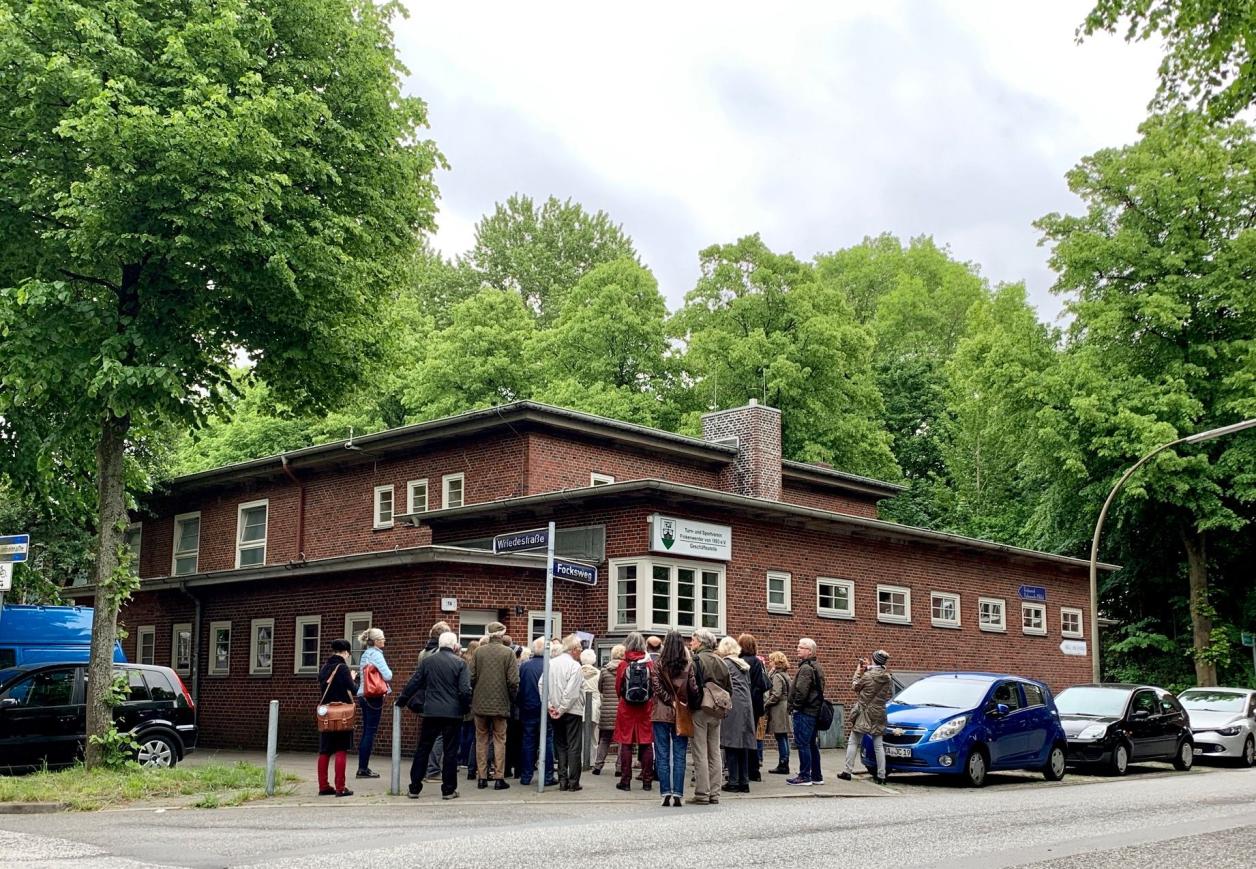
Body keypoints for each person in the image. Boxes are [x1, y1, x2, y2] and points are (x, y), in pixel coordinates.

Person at [397, 630, 471, 800]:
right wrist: (466, 707)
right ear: (454, 645)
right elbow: (465, 690)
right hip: (453, 713)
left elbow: (415, 681)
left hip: (430, 711)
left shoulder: (428, 662)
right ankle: (448, 789)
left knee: (423, 748)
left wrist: (402, 699)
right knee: (450, 751)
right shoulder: (461, 663)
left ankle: (414, 787)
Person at [469, 622, 518, 790]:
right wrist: (511, 698)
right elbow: (513, 681)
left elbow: (471, 677)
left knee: (481, 739)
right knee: (499, 740)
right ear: (502, 634)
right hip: (500, 703)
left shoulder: (478, 652)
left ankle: (482, 777)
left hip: (480, 703)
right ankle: (499, 777)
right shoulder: (508, 653)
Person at [650, 630, 696, 807]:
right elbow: (693, 688)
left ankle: (665, 792)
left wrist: (669, 701)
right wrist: (682, 702)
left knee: (662, 754)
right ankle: (678, 792)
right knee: (679, 754)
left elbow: (656, 686)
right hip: (682, 712)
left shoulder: (658, 663)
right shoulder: (687, 664)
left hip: (661, 712)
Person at [840, 649, 894, 785]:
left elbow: (855, 687)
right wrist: (868, 667)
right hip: (879, 712)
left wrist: (858, 671)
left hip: (864, 712)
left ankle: (847, 771)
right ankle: (881, 775)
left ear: (874, 660)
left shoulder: (867, 676)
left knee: (853, 741)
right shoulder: (888, 677)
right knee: (878, 745)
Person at [688, 627, 730, 805]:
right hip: (717, 709)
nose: (691, 643)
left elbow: (690, 686)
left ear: (701, 642)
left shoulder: (696, 660)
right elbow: (729, 688)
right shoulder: (722, 661)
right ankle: (715, 793)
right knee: (715, 752)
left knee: (700, 752)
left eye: (693, 639)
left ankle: (702, 793)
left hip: (700, 709)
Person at [544, 634, 586, 791]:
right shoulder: (575, 666)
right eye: (580, 649)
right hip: (571, 710)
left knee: (560, 745)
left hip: (555, 709)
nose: (581, 652)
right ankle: (573, 782)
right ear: (574, 650)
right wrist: (561, 708)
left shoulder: (551, 663)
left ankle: (562, 780)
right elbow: (572, 692)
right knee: (574, 746)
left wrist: (550, 706)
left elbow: (542, 685)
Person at [613, 632, 655, 792]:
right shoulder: (649, 664)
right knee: (646, 743)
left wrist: (622, 698)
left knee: (626, 743)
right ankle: (647, 781)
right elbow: (654, 686)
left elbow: (618, 687)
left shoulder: (623, 664)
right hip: (646, 708)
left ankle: (625, 780)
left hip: (627, 708)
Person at [316, 638, 358, 797]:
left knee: (325, 750)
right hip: (342, 714)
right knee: (341, 748)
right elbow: (353, 690)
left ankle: (323, 785)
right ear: (346, 652)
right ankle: (340, 787)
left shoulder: (325, 667)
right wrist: (353, 678)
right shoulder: (343, 668)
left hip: (326, 713)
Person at [518, 637, 557, 786]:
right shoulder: (549, 665)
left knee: (528, 742)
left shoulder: (524, 666)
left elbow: (519, 687)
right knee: (547, 741)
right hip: (545, 708)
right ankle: (547, 776)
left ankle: (526, 776)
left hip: (528, 708)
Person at [718, 636, 755, 793]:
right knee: (743, 745)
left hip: (733, 705)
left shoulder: (726, 664)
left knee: (731, 743)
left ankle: (733, 781)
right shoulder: (743, 665)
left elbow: (722, 685)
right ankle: (744, 781)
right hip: (746, 705)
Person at [355, 627, 392, 779]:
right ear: (376, 641)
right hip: (373, 696)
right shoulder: (376, 654)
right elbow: (388, 675)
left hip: (363, 695)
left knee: (366, 731)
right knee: (370, 732)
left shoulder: (365, 654)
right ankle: (363, 768)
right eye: (382, 638)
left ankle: (362, 766)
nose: (384, 640)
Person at [787, 637, 825, 786]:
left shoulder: (806, 668)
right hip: (814, 711)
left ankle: (804, 776)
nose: (797, 649)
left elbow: (801, 691)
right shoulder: (816, 666)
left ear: (809, 651)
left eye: (801, 647)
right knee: (811, 744)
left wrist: (795, 706)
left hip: (805, 711)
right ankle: (816, 775)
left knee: (803, 743)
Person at [418, 621, 452, 782]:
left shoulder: (423, 653)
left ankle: (426, 770)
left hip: (426, 698)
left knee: (428, 736)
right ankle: (433, 770)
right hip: (439, 699)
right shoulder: (438, 654)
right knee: (439, 736)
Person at [738, 633, 769, 783]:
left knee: (743, 738)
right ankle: (754, 770)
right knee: (753, 736)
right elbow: (762, 684)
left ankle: (745, 770)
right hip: (756, 704)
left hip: (744, 703)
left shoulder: (740, 661)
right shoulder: (757, 662)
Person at [592, 644, 624, 775]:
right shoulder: (625, 670)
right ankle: (619, 767)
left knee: (604, 739)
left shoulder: (604, 670)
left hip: (606, 709)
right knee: (622, 740)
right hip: (621, 709)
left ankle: (598, 766)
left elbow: (600, 688)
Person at [764, 651, 793, 774]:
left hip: (779, 708)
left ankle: (783, 763)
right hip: (785, 706)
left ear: (776, 662)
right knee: (783, 736)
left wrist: (766, 704)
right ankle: (785, 762)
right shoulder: (785, 674)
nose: (769, 663)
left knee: (780, 736)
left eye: (771, 661)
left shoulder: (777, 676)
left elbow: (776, 694)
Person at [459, 640, 480, 779]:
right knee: (471, 732)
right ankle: (466, 758)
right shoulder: (473, 662)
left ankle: (461, 757)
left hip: (462, 702)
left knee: (462, 730)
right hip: (471, 701)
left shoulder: (462, 659)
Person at [579, 649, 602, 724]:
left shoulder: (577, 673)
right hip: (595, 706)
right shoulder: (599, 673)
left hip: (580, 706)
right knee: (594, 733)